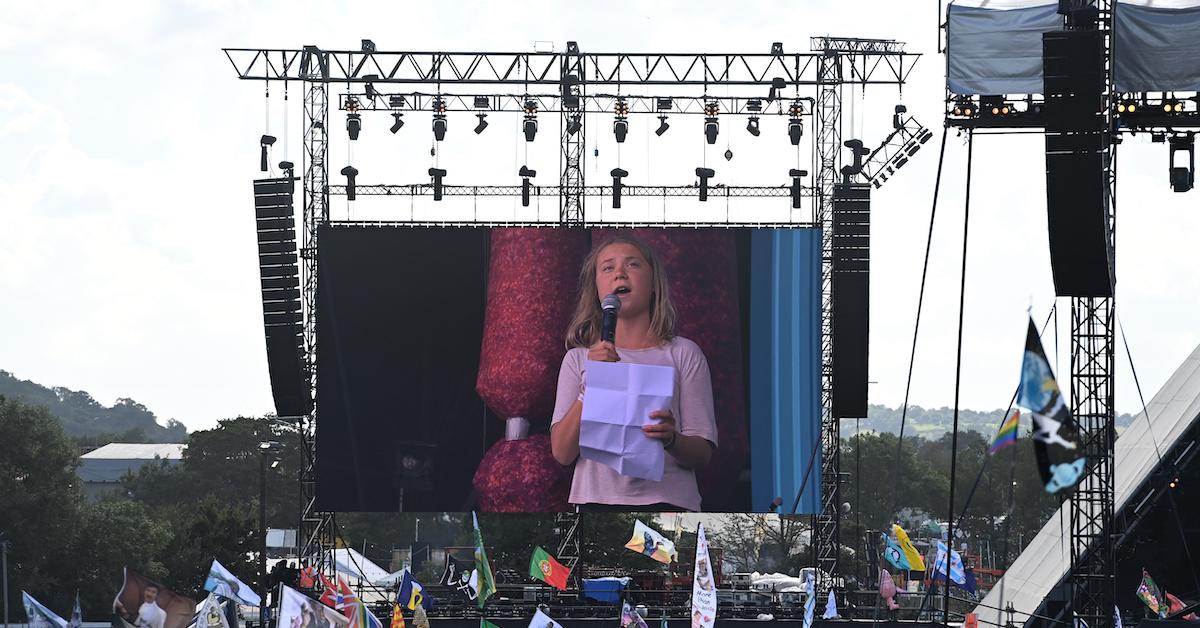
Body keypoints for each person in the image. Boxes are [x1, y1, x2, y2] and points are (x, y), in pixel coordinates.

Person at [550, 234, 718, 512]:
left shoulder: (683, 354)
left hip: (669, 502)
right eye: (607, 268)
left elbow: (703, 454)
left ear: (654, 283)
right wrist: (589, 388)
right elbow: (562, 453)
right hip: (596, 502)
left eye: (633, 265)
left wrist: (671, 438)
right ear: (596, 289)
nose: (619, 273)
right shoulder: (578, 359)